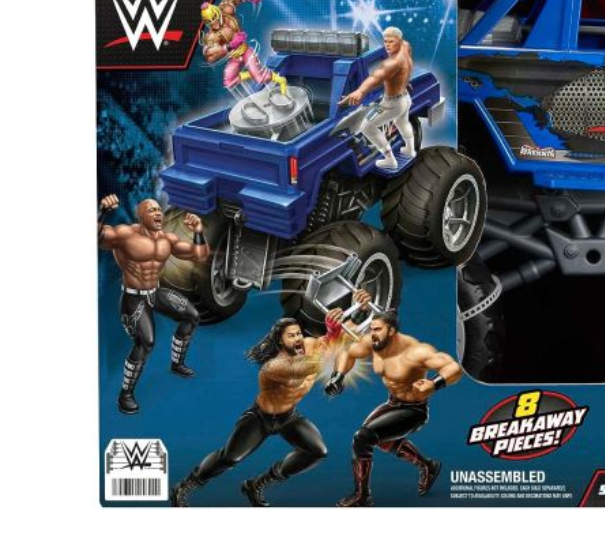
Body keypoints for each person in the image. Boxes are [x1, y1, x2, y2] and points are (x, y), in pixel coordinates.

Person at [170, 295, 369, 507]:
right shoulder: (274, 367)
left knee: (317, 451)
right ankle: (184, 486)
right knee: (230, 458)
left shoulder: (310, 345)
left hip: (289, 417)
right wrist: (332, 335)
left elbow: (345, 336)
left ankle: (256, 485)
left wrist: (360, 310)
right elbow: (305, 367)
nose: (298, 339)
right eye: (291, 336)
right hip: (261, 419)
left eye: (299, 333)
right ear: (281, 341)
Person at [326, 308, 460, 506]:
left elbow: (453, 368)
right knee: (377, 439)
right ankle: (429, 466)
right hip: (392, 403)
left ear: (391, 331)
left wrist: (434, 384)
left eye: (378, 329)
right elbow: (348, 352)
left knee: (363, 437)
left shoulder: (415, 351)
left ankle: (362, 496)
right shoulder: (374, 343)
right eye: (372, 329)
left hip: (414, 410)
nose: (373, 334)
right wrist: (338, 377)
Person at [99, 194, 208, 414]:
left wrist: (198, 231)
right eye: (151, 210)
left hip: (155, 292)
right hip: (133, 298)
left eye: (159, 209)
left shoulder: (167, 240)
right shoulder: (125, 234)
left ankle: (177, 364)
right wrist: (102, 211)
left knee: (192, 316)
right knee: (146, 342)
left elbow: (199, 254)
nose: (157, 212)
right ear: (140, 216)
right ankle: (125, 394)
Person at [340, 27, 415, 169]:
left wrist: (360, 91)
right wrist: (403, 81)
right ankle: (410, 150)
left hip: (392, 103)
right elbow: (403, 70)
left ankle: (390, 160)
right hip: (405, 98)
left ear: (399, 41)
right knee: (402, 122)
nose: (387, 45)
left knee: (366, 126)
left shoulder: (392, 63)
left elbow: (375, 78)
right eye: (385, 41)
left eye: (391, 42)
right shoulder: (405, 47)